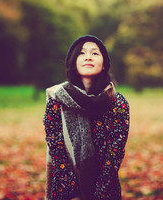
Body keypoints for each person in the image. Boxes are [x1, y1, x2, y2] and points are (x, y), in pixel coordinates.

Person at [43, 35, 130, 200]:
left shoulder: (118, 103)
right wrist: (72, 192)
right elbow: (56, 146)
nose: (88, 57)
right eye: (82, 53)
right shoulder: (57, 99)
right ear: (73, 62)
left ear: (104, 65)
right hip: (65, 187)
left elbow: (115, 153)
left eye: (95, 53)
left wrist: (101, 193)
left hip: (106, 188)